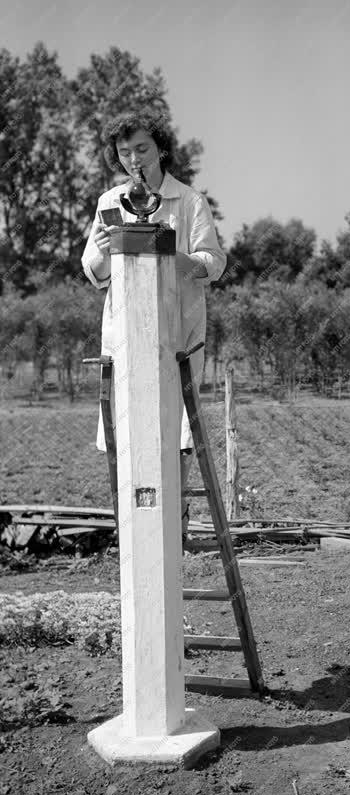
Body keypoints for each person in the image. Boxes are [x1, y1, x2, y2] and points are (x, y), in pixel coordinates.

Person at [81, 110, 227, 547]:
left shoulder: (190, 201)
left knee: (175, 427)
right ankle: (133, 528)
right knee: (128, 425)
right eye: (124, 153)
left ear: (160, 148)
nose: (133, 160)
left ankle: (174, 525)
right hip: (127, 336)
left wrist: (175, 256)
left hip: (176, 334)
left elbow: (214, 263)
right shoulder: (109, 202)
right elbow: (93, 269)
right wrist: (106, 251)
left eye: (142, 149)